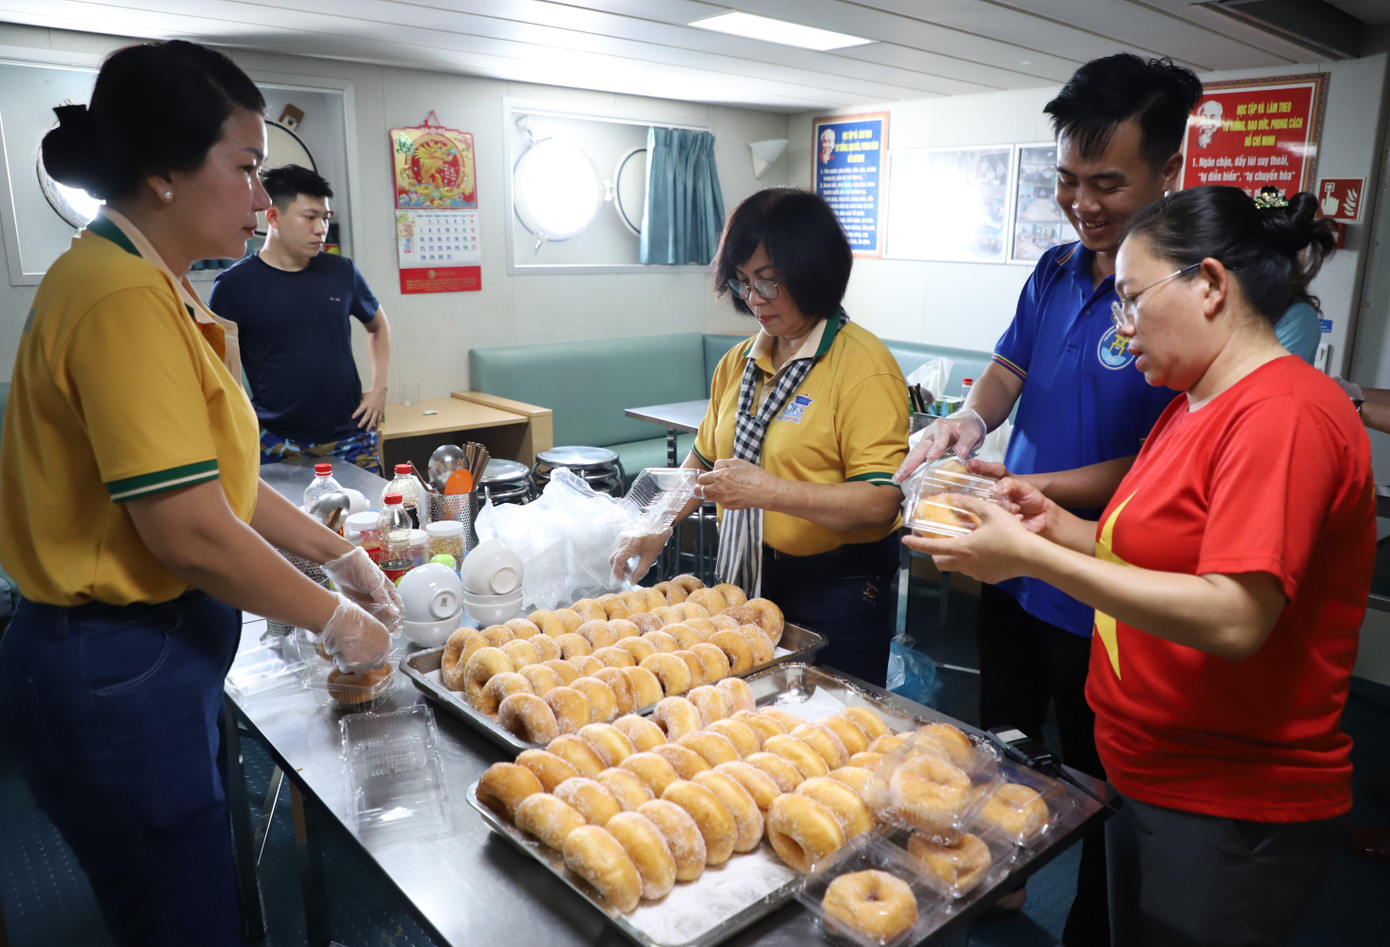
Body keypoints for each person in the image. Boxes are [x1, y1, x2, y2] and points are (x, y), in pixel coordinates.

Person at [0, 41, 401, 947]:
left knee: (191, 897)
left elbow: (218, 482)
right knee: (182, 921)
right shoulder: (119, 298)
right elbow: (190, 529)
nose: (263, 199)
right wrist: (332, 618)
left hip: (146, 656)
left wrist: (335, 551)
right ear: (163, 173)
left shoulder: (156, 285)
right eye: (247, 168)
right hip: (109, 665)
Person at [907, 186, 1370, 946]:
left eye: (1131, 301)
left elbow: (1234, 614)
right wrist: (1050, 523)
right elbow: (1140, 550)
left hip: (1225, 794)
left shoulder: (1285, 413)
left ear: (1212, 285)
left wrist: (1032, 559)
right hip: (1147, 768)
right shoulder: (1192, 403)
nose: (1121, 332)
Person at [898, 53, 1206, 942]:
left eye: (1108, 183)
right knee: (999, 739)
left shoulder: (1177, 298)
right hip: (1014, 556)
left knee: (1095, 772)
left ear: (1168, 176)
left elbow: (1160, 457)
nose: (1084, 202)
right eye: (1069, 180)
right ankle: (994, 876)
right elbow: (1008, 367)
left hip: (1101, 576)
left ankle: (1092, 919)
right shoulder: (1056, 269)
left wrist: (1031, 487)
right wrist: (969, 424)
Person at [612, 188, 908, 686]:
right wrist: (658, 524)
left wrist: (769, 491)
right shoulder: (740, 363)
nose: (753, 300)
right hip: (748, 576)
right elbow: (701, 464)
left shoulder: (863, 367)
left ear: (813, 272)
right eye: (743, 282)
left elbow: (881, 502)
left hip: (838, 588)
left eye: (768, 282)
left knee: (830, 721)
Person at [209, 163, 391, 474]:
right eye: (309, 217)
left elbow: (378, 326)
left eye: (324, 218)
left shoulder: (341, 271)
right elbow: (219, 368)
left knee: (371, 521)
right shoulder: (234, 286)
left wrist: (379, 389)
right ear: (273, 216)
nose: (321, 228)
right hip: (276, 441)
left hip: (351, 437)